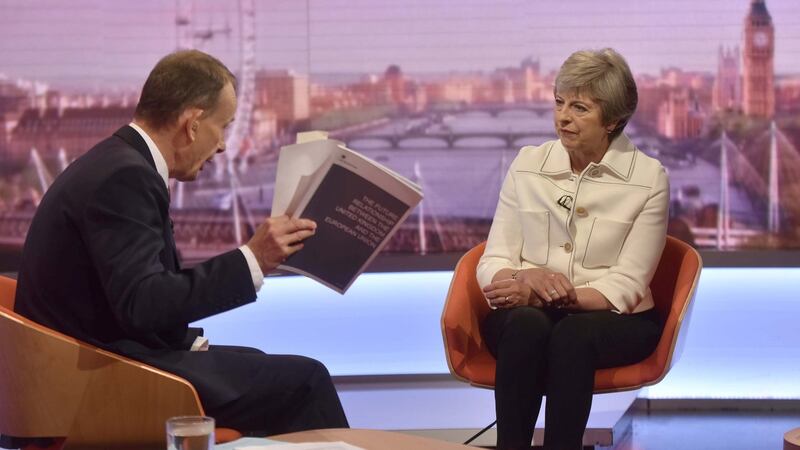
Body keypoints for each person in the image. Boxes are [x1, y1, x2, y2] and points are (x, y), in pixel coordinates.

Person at [12, 50, 348, 438]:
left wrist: (189, 341)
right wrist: (253, 259)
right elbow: (142, 303)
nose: (222, 145)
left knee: (263, 366)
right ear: (192, 123)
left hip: (90, 363)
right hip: (92, 385)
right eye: (223, 127)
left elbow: (128, 298)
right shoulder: (124, 177)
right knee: (304, 382)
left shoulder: (117, 163)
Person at [477, 48, 668, 450]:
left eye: (579, 108)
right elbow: (492, 260)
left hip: (617, 320)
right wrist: (519, 279)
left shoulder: (649, 179)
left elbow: (628, 284)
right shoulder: (528, 165)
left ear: (612, 120)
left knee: (572, 335)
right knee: (529, 325)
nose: (563, 116)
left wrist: (553, 294)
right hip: (528, 316)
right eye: (559, 102)